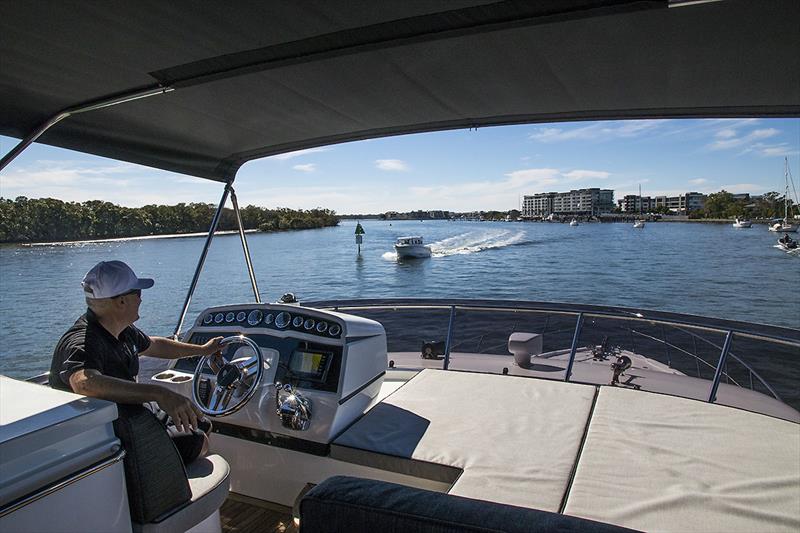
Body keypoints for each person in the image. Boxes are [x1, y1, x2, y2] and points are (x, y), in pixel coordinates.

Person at [49, 260, 223, 464]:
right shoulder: (83, 340)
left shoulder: (122, 330)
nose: (141, 300)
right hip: (112, 434)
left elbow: (155, 345)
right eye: (138, 293)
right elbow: (84, 382)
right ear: (121, 301)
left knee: (201, 423)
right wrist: (159, 393)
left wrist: (203, 350)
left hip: (133, 415)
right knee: (199, 442)